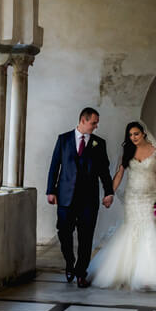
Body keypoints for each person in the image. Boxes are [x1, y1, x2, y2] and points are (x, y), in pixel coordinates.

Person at [88, 121, 156, 292]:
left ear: (143, 133)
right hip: (132, 198)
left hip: (151, 198)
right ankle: (126, 272)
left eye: (136, 134)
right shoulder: (127, 151)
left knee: (151, 231)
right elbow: (119, 174)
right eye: (130, 135)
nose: (133, 137)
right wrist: (110, 193)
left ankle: (149, 276)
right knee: (131, 230)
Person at [46, 107, 114, 288]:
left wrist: (109, 192)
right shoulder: (63, 139)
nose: (96, 126)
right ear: (83, 120)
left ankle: (81, 272)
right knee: (63, 232)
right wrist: (50, 190)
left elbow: (104, 171)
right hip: (65, 197)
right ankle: (70, 263)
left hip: (89, 200)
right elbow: (55, 166)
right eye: (93, 123)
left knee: (86, 237)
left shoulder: (99, 144)